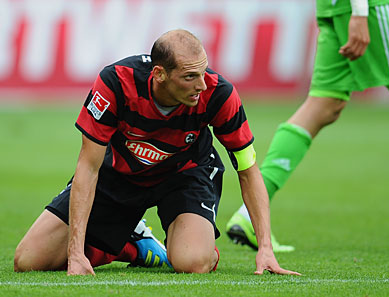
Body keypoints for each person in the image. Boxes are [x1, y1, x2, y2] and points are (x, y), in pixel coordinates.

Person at [13, 29, 300, 275]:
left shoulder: (219, 93)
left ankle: (186, 242)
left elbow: (248, 170)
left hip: (185, 174)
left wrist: (265, 249)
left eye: (203, 72)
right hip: (120, 174)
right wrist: (75, 253)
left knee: (192, 263)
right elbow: (88, 167)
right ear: (160, 74)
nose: (202, 84)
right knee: (28, 260)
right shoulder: (116, 83)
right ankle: (134, 246)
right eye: (190, 76)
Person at [226, 0, 389, 253]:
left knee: (323, 104)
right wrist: (362, 12)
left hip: (334, 7)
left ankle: (250, 215)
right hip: (372, 7)